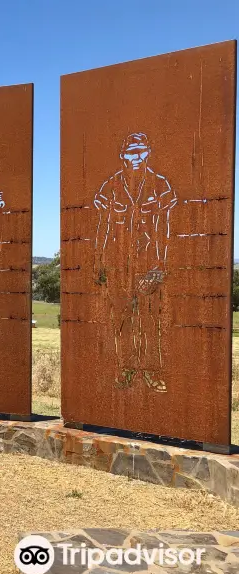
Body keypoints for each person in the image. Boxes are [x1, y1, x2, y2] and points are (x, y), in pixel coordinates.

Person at [93, 132, 177, 393]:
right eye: (131, 152)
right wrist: (99, 262)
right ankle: (126, 368)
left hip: (149, 264)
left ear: (148, 152)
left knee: (151, 318)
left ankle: (152, 371)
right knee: (123, 318)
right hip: (118, 265)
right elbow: (103, 227)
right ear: (123, 155)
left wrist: (161, 264)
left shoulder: (159, 185)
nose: (136, 156)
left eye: (140, 150)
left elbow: (166, 227)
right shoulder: (111, 186)